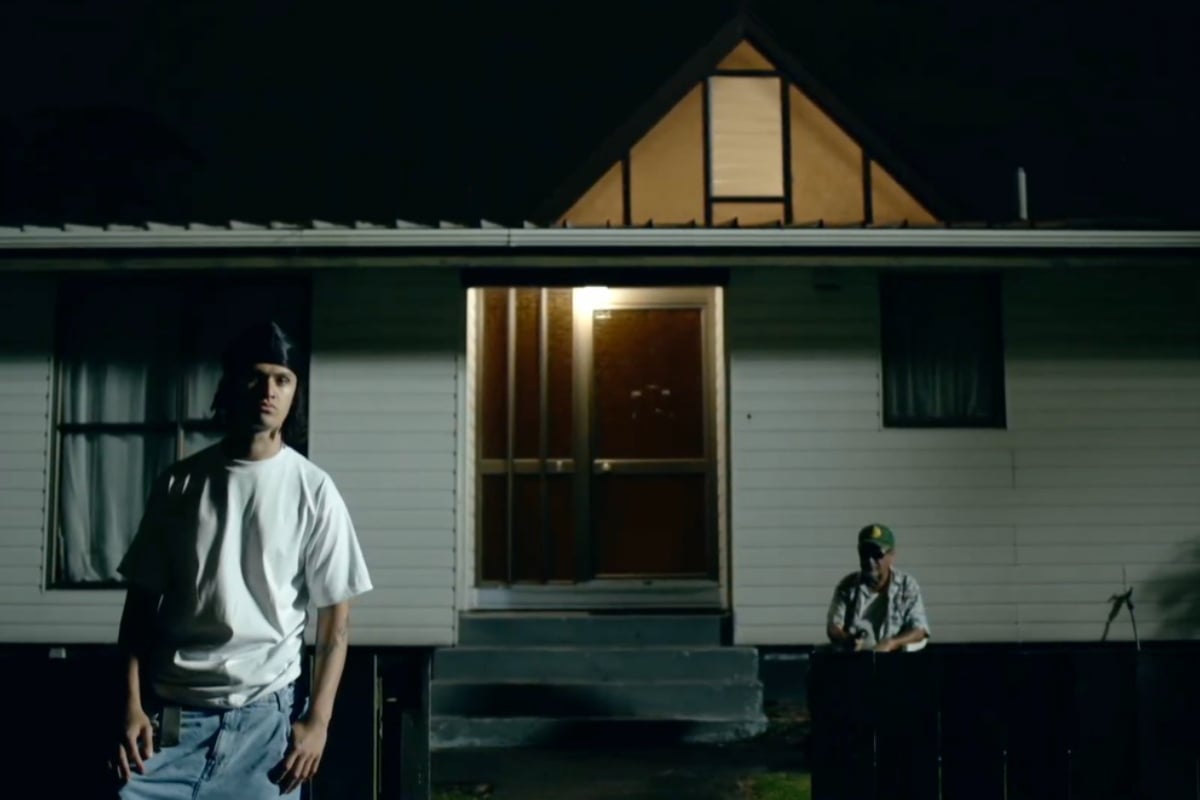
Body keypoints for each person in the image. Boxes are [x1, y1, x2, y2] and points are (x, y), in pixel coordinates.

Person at [112, 321, 373, 798]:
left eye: (282, 379)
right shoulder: (180, 483)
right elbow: (139, 607)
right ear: (232, 383)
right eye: (256, 376)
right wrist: (129, 705)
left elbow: (336, 618)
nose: (268, 391)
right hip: (171, 716)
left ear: (294, 392)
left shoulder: (313, 490)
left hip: (265, 724)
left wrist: (318, 720)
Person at [825, 523, 929, 653]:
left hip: (894, 658)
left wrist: (891, 643)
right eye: (864, 553)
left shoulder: (906, 585)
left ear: (891, 556)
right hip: (856, 659)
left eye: (876, 554)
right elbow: (833, 627)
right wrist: (847, 640)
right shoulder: (847, 586)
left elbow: (920, 631)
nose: (869, 560)